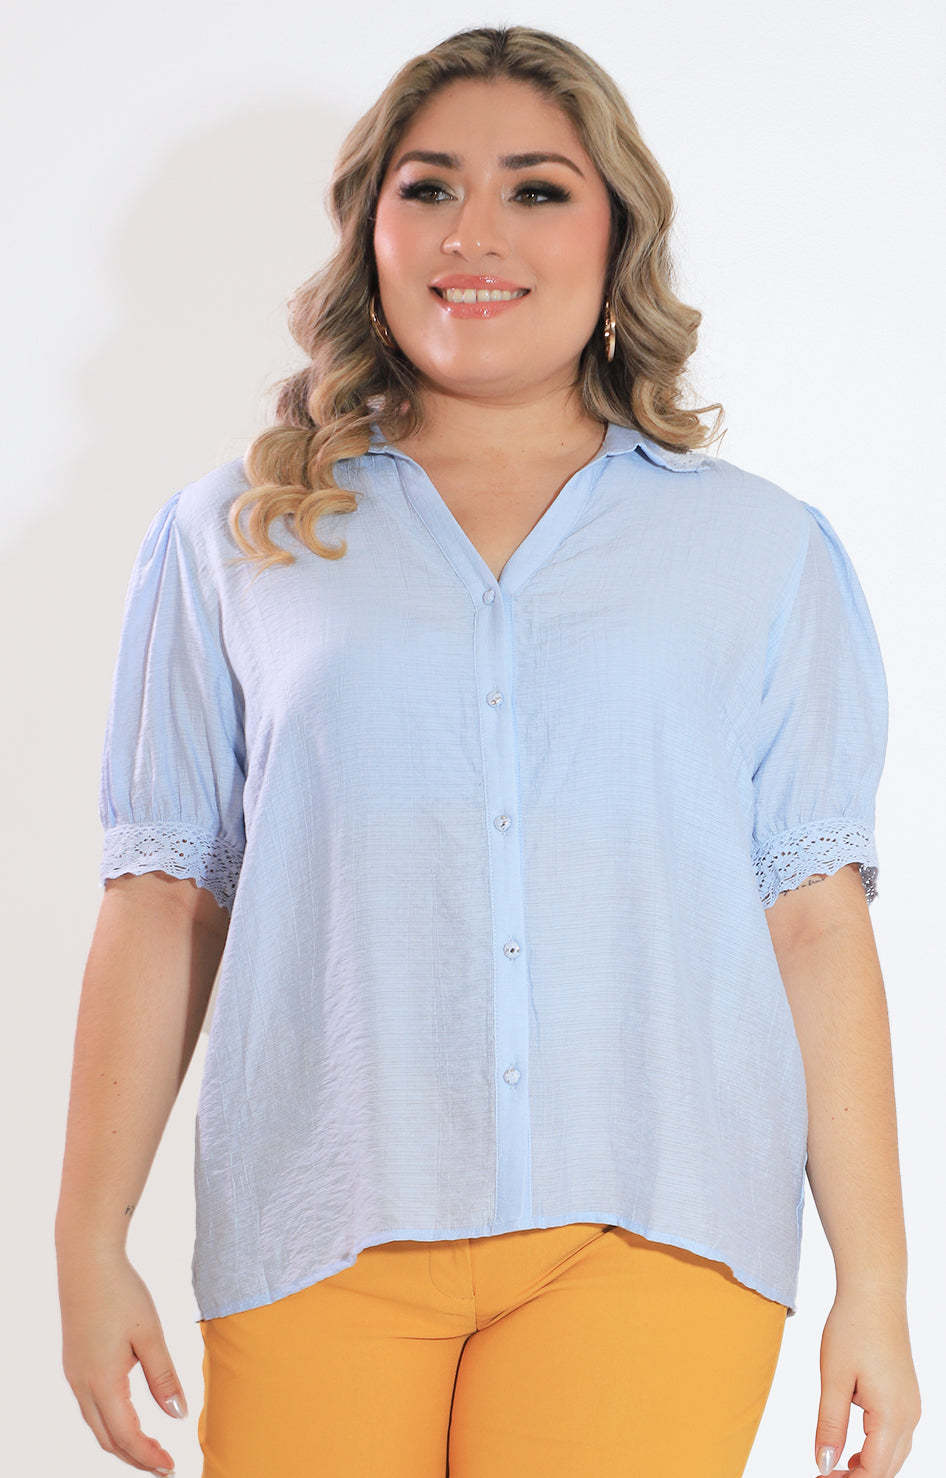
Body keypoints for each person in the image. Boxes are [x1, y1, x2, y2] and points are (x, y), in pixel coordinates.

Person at [55, 24, 921, 1478]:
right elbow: (164, 898)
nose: (474, 234)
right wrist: (88, 1237)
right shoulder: (233, 537)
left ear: (615, 232)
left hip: (655, 1227)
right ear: (370, 229)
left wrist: (875, 1286)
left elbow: (815, 922)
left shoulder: (760, 551)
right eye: (429, 187)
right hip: (318, 1224)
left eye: (535, 189)